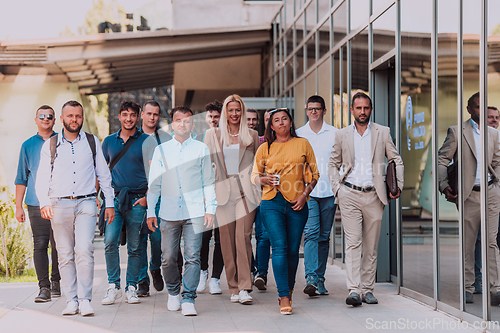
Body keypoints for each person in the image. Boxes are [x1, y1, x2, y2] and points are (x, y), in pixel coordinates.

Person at [35, 100, 114, 316]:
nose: (74, 120)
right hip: (59, 204)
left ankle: (85, 299)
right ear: (62, 119)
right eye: (70, 116)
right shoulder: (51, 144)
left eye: (78, 116)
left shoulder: (91, 142)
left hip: (86, 202)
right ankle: (71, 300)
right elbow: (42, 177)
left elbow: (104, 175)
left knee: (85, 250)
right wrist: (44, 203)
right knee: (64, 254)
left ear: (82, 118)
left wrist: (110, 203)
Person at [328, 92, 404, 307]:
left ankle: (368, 289)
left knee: (370, 246)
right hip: (349, 194)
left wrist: (397, 184)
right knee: (353, 244)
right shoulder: (342, 134)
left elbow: (395, 159)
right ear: (351, 110)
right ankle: (354, 290)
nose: (362, 112)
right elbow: (333, 164)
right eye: (358, 108)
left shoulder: (383, 132)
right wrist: (337, 189)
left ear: (371, 109)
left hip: (374, 195)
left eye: (366, 108)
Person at [147, 106, 217, 316]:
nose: (183, 124)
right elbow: (154, 184)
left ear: (192, 124)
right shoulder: (162, 150)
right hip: (168, 212)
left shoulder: (200, 148)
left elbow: (208, 182)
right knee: (168, 257)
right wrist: (151, 210)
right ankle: (173, 291)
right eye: (178, 120)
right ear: (173, 123)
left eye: (187, 121)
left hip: (194, 211)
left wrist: (210, 209)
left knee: (193, 257)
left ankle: (188, 298)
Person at [251, 107, 319, 314]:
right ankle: (283, 296)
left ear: (290, 123)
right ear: (271, 126)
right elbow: (254, 176)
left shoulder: (303, 144)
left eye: (285, 119)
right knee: (279, 247)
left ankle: (288, 290)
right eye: (276, 120)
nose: (281, 123)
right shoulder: (265, 148)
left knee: (292, 250)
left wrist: (304, 194)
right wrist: (263, 179)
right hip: (271, 202)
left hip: (297, 202)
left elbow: (314, 174)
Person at [438, 92, 500, 305]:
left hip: (491, 192)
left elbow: (498, 161)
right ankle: (467, 287)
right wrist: (444, 185)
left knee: (491, 243)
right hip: (468, 194)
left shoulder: (493, 133)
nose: (481, 111)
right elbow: (442, 159)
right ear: (469, 109)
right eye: (477, 107)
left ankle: (495, 289)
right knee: (469, 243)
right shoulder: (457, 132)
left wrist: (498, 185)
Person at [204, 94, 261, 304]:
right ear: (225, 112)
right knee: (226, 242)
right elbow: (207, 167)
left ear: (242, 112)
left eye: (238, 110)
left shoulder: (252, 135)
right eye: (231, 110)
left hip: (246, 192)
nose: (234, 114)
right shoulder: (213, 135)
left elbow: (257, 165)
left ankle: (246, 286)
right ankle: (234, 287)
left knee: (243, 238)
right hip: (222, 193)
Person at [101, 100, 150, 305]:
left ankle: (131, 286)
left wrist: (148, 197)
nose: (128, 118)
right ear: (119, 117)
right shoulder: (108, 141)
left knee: (135, 246)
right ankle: (114, 286)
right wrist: (98, 198)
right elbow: (101, 172)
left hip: (138, 200)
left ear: (138, 117)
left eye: (132, 115)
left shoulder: (147, 141)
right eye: (124, 114)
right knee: (110, 241)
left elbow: (155, 171)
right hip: (114, 200)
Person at [15, 105, 60, 303]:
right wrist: (18, 206)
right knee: (40, 244)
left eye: (49, 116)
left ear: (54, 120)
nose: (45, 118)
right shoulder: (27, 145)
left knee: (59, 243)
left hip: (59, 201)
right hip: (35, 203)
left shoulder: (63, 141)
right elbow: (21, 177)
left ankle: (56, 281)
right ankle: (44, 287)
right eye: (41, 116)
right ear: (36, 120)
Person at [296, 95, 339, 296]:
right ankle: (311, 278)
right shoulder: (298, 135)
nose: (314, 112)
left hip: (330, 192)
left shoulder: (335, 134)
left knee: (324, 236)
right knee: (311, 233)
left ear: (324, 110)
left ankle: (320, 279)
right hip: (308, 192)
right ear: (306, 111)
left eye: (317, 108)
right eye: (310, 108)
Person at [137, 100, 172, 297]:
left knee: (158, 238)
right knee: (139, 241)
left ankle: (155, 267)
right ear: (142, 115)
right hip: (136, 198)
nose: (152, 117)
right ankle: (142, 281)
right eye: (148, 113)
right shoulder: (134, 138)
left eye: (156, 114)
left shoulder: (166, 139)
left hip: (159, 197)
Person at [197, 100, 225, 295]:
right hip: (204, 197)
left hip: (224, 197)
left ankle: (215, 278)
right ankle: (202, 273)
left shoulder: (228, 138)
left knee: (221, 239)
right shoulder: (199, 138)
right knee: (203, 238)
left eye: (217, 116)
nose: (213, 120)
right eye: (210, 116)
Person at [472, 105, 500, 295]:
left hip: (496, 195)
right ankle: (479, 279)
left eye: (496, 117)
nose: (494, 120)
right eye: (490, 117)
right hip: (483, 194)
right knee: (481, 239)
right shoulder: (476, 139)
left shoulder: (497, 138)